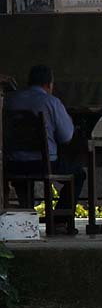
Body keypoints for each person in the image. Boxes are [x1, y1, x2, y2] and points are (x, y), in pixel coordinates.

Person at [5, 64, 85, 224]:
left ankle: (26, 212)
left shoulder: (9, 100)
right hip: (43, 163)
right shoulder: (51, 102)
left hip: (13, 163)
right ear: (49, 84)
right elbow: (66, 137)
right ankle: (60, 221)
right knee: (78, 174)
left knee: (23, 177)